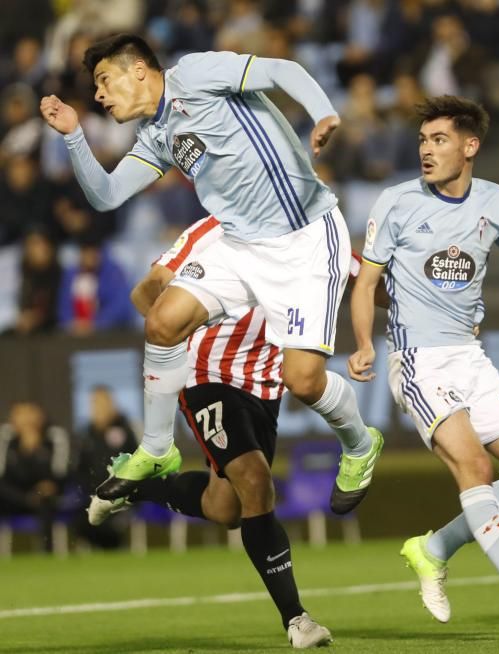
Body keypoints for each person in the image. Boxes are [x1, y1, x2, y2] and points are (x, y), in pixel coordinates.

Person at [39, 34, 381, 512]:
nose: (97, 94)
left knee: (303, 381)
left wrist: (324, 113)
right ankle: (157, 448)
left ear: (139, 69)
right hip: (240, 244)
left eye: (103, 79)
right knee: (161, 321)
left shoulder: (196, 74)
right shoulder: (157, 136)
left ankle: (361, 445)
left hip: (301, 235)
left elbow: (283, 70)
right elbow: (107, 195)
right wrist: (75, 135)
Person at [86, 215, 386, 648]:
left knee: (225, 508)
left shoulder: (316, 232)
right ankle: (297, 619)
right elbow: (146, 290)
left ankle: (143, 490)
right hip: (205, 375)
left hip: (265, 388)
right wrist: (181, 323)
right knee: (256, 480)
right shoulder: (212, 229)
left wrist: (429, 314)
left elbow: (371, 284)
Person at [349, 95, 499, 633]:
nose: (427, 151)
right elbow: (364, 283)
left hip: (470, 358)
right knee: (476, 469)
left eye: (439, 140)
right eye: (423, 141)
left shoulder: (497, 202)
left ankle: (434, 548)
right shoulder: (396, 202)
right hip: (418, 359)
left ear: (469, 146)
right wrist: (364, 342)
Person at [0, 402, 70, 552]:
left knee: (45, 501)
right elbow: (3, 478)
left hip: (43, 498)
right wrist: (25, 452)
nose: (27, 421)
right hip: (14, 497)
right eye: (21, 415)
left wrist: (35, 451)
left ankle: (47, 553)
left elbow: (60, 474)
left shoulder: (54, 437)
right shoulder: (5, 438)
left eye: (30, 414)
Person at [74, 385, 138, 549]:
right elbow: (80, 468)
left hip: (122, 496)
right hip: (92, 495)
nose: (100, 407)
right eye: (96, 403)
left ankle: (112, 547)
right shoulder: (86, 434)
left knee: (111, 522)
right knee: (81, 520)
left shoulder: (126, 429)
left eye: (104, 402)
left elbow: (137, 463)